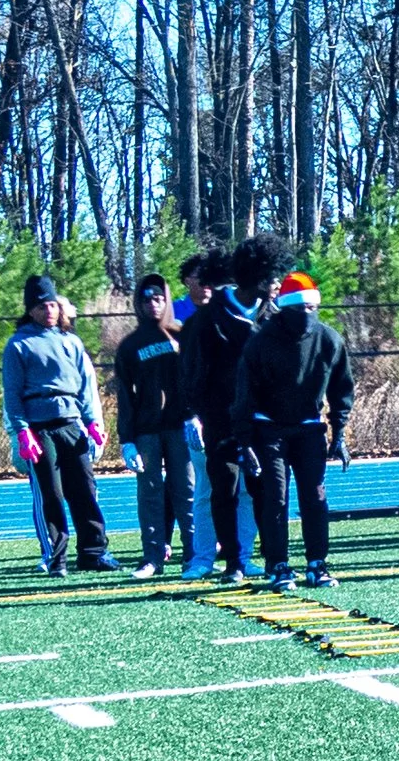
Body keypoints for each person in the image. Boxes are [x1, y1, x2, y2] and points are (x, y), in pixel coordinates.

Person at [232, 267, 354, 588]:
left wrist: (339, 433)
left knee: (315, 495)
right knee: (276, 496)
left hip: (310, 428)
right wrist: (245, 443)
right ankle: (278, 564)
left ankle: (317, 562)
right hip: (268, 430)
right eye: (299, 308)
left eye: (311, 307)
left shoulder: (328, 339)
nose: (306, 313)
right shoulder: (261, 342)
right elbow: (244, 395)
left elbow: (341, 389)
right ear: (284, 308)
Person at [2, 273, 113, 575]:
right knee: (51, 494)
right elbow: (12, 394)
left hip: (71, 422)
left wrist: (92, 423)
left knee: (85, 490)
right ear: (31, 310)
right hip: (39, 427)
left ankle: (93, 552)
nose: (48, 311)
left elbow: (85, 388)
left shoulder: (72, 342)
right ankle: (55, 558)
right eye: (41, 306)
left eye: (52, 304)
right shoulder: (18, 345)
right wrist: (22, 431)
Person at [178, 247, 263, 586]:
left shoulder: (256, 316)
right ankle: (203, 557)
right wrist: (192, 416)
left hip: (250, 420)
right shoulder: (196, 320)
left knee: (249, 490)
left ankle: (241, 556)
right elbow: (190, 375)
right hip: (214, 419)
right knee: (210, 490)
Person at [113, 272, 193, 579]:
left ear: (167, 299)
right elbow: (124, 395)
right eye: (146, 299)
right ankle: (152, 558)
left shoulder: (181, 336)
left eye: (159, 298)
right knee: (149, 494)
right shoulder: (130, 346)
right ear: (138, 303)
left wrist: (195, 416)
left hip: (181, 427)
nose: (153, 304)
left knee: (186, 490)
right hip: (146, 431)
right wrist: (126, 438)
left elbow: (196, 380)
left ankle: (194, 556)